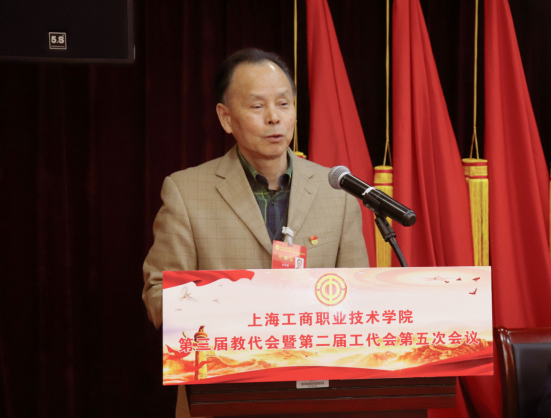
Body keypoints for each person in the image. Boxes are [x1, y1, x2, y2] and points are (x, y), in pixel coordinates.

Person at [142, 48, 369, 418]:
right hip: (223, 394)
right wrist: (234, 311)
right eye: (257, 106)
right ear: (226, 118)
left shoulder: (337, 192)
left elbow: (358, 296)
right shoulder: (186, 190)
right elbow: (159, 293)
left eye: (283, 104)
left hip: (317, 395)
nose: (274, 118)